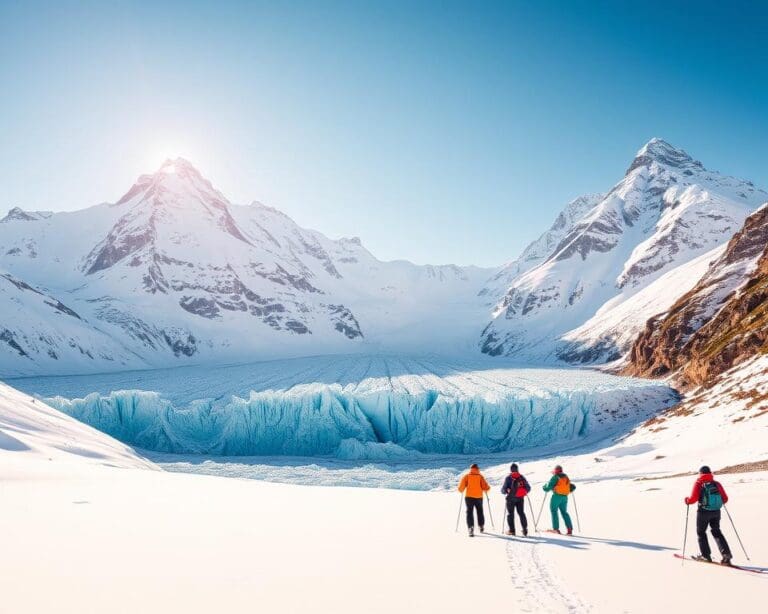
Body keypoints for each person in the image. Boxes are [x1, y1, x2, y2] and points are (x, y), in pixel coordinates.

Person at [685, 465, 732, 564]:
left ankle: (706, 556)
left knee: (701, 533)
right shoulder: (716, 484)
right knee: (717, 532)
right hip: (716, 512)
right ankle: (726, 555)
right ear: (710, 473)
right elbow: (725, 499)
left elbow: (693, 499)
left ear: (700, 473)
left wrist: (687, 500)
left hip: (703, 512)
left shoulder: (699, 483)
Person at [458, 463, 491, 537]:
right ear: (477, 469)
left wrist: (462, 489)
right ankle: (481, 526)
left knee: (469, 512)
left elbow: (460, 488)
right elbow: (486, 487)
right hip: (479, 497)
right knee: (480, 511)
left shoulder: (467, 476)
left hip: (469, 497)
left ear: (471, 469)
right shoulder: (480, 477)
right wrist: (485, 489)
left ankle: (470, 528)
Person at [542, 464, 576, 535]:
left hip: (556, 496)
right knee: (564, 512)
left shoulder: (555, 477)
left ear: (555, 471)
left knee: (554, 511)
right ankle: (569, 529)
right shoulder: (566, 477)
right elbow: (570, 486)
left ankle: (556, 529)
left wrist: (544, 487)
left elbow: (548, 487)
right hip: (565, 497)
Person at [500, 463, 531, 536]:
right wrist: (524, 492)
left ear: (511, 470)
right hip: (520, 498)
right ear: (517, 469)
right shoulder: (521, 477)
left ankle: (512, 531)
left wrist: (505, 491)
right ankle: (525, 529)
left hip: (510, 499)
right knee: (521, 513)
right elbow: (528, 488)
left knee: (510, 514)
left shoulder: (508, 478)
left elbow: (503, 490)